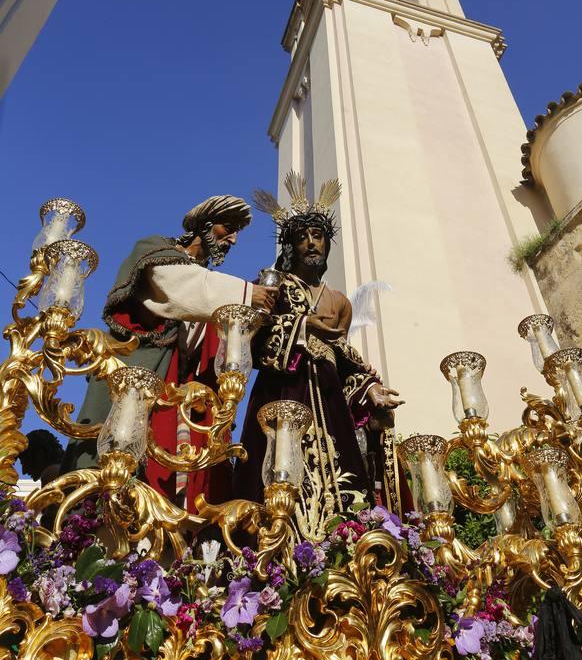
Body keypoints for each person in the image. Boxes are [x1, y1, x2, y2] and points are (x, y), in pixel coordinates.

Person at [62, 195, 278, 513]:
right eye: (227, 228)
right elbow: (180, 288)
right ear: (204, 226)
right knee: (115, 473)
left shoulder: (207, 287)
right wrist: (246, 293)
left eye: (236, 233)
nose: (232, 239)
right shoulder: (156, 252)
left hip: (184, 403)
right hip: (141, 381)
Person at [235, 173, 407, 539]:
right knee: (277, 477)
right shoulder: (273, 284)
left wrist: (368, 388)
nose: (311, 244)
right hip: (284, 391)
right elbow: (252, 341)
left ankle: (340, 543)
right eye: (302, 238)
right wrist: (302, 327)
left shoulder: (339, 301)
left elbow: (344, 358)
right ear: (290, 246)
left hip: (328, 399)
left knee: (343, 478)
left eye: (318, 237)